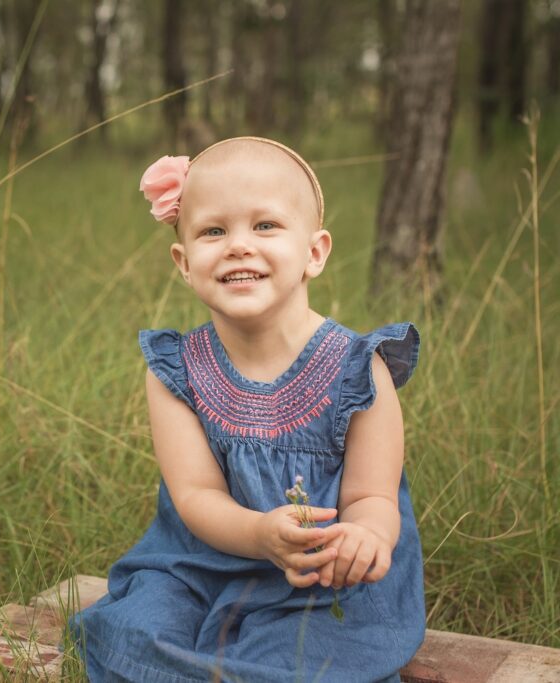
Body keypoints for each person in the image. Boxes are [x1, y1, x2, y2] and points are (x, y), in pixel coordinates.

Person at [64, 137, 425, 682]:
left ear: (315, 252)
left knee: (307, 650)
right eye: (214, 230)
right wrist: (259, 535)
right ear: (184, 262)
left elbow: (372, 496)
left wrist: (365, 538)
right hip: (202, 563)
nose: (238, 246)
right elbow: (196, 495)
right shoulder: (176, 370)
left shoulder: (360, 369)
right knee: (138, 625)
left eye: (265, 226)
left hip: (322, 577)